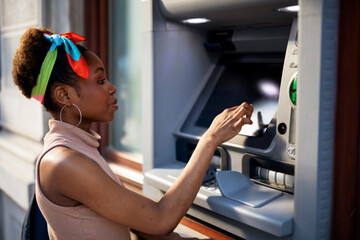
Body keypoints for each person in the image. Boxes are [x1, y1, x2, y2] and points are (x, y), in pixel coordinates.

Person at [12, 27, 253, 240]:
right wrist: (210, 139)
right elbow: (160, 219)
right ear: (65, 96)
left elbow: (124, 215)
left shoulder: (77, 148)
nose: (112, 87)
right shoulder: (64, 162)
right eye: (100, 80)